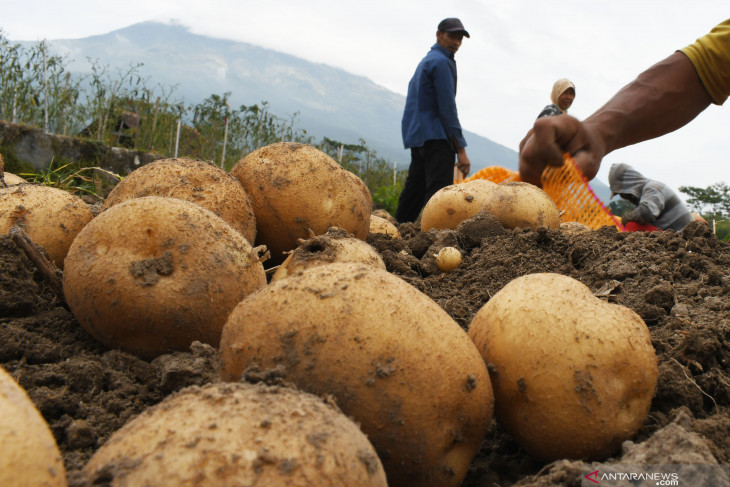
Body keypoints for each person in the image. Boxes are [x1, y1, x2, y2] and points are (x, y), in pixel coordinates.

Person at [518, 19, 730, 188]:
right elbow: (706, 66)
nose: (569, 98)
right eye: (565, 94)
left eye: (572, 94)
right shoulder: (552, 113)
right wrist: (595, 134)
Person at [396, 17, 472, 223]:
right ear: (439, 35)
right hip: (436, 135)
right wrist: (461, 150)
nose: (456, 42)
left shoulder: (427, 61)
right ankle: (432, 237)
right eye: (452, 36)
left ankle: (394, 231)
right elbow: (447, 107)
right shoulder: (441, 62)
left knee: (415, 189)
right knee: (438, 193)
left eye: (460, 38)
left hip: (420, 135)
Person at [608, 163, 694, 231]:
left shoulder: (652, 188)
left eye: (620, 193)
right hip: (675, 237)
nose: (623, 197)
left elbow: (646, 212)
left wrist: (625, 219)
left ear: (627, 186)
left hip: (682, 237)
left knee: (632, 225)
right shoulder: (649, 189)